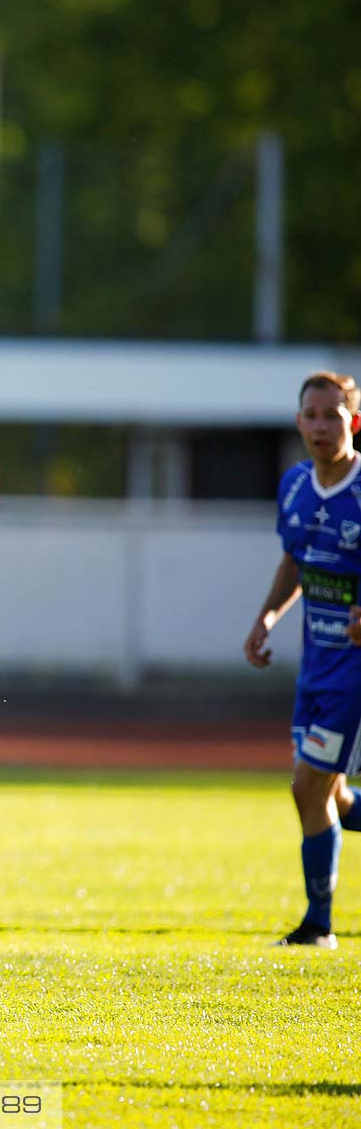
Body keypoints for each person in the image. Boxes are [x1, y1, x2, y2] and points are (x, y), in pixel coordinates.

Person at [244, 371, 361, 949]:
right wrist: (267, 617)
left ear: (353, 422)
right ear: (298, 422)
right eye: (311, 415)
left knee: (306, 789)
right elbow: (294, 562)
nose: (320, 425)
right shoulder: (294, 486)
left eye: (332, 415)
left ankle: (319, 925)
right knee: (335, 798)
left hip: (354, 675)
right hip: (315, 664)